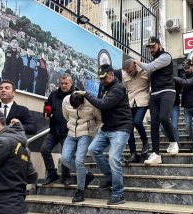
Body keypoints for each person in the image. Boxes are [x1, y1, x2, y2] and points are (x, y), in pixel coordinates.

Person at [76, 64, 133, 205]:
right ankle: (109, 177)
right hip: (107, 127)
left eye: (104, 78)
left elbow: (103, 104)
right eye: (100, 79)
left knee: (114, 158)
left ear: (111, 74)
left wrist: (86, 94)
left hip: (121, 127)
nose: (101, 81)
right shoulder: (103, 86)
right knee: (93, 149)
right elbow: (98, 104)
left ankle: (119, 193)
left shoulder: (118, 88)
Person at [134, 36, 179, 165]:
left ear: (159, 45)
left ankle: (173, 142)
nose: (151, 50)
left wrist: (136, 62)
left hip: (167, 92)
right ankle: (156, 154)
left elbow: (150, 67)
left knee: (164, 118)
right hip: (154, 94)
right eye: (149, 48)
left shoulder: (166, 57)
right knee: (154, 124)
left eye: (153, 47)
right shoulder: (155, 59)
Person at [61, 93, 101, 202]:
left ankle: (80, 191)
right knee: (64, 159)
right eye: (74, 107)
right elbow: (66, 115)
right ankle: (87, 174)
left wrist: (92, 130)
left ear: (82, 101)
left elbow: (99, 119)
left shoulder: (91, 102)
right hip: (71, 133)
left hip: (86, 133)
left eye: (78, 106)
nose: (77, 109)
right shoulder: (66, 100)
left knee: (79, 161)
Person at [41, 73, 75, 186]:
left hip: (68, 132)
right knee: (44, 149)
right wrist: (46, 113)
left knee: (65, 154)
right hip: (54, 130)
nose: (64, 85)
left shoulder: (76, 95)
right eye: (61, 83)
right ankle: (52, 174)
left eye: (66, 83)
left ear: (71, 83)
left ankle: (66, 176)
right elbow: (47, 107)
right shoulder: (53, 95)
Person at [122, 59, 149, 163]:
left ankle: (145, 142)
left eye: (130, 71)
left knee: (137, 122)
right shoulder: (124, 75)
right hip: (130, 102)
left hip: (143, 101)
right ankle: (133, 154)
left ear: (135, 66)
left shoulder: (145, 71)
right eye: (127, 72)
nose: (129, 73)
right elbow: (124, 89)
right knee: (129, 128)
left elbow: (151, 84)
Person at [173, 59, 193, 152]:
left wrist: (174, 78)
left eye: (188, 68)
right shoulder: (183, 76)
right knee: (188, 127)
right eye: (185, 68)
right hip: (187, 105)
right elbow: (177, 89)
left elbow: (188, 83)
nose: (186, 70)